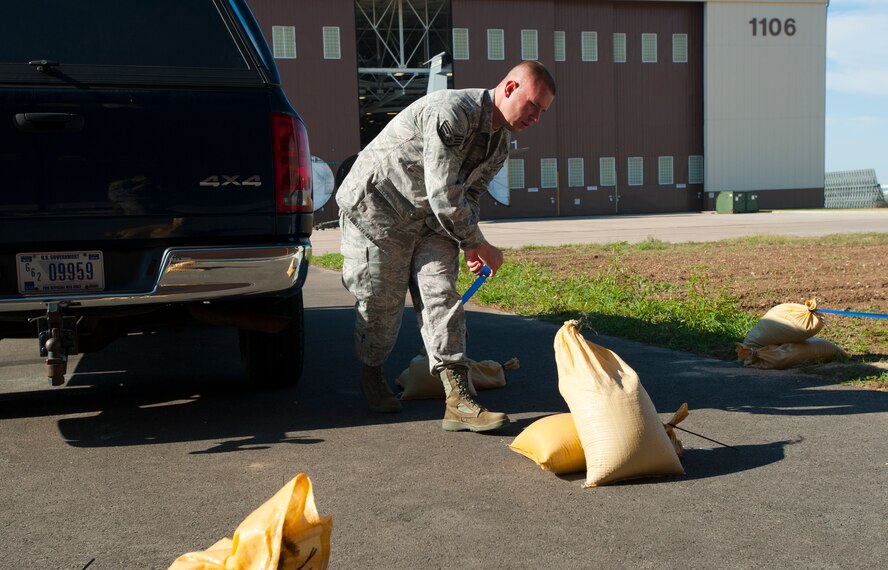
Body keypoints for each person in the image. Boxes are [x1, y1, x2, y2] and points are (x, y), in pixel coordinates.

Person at [336, 60, 556, 432]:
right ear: (509, 88)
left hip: (430, 223)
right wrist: (479, 243)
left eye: (542, 112)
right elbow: (443, 192)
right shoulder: (451, 112)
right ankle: (372, 374)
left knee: (443, 297)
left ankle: (458, 399)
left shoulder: (499, 146)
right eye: (532, 105)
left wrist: (469, 246)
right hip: (378, 213)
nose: (535, 117)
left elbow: (467, 195)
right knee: (382, 306)